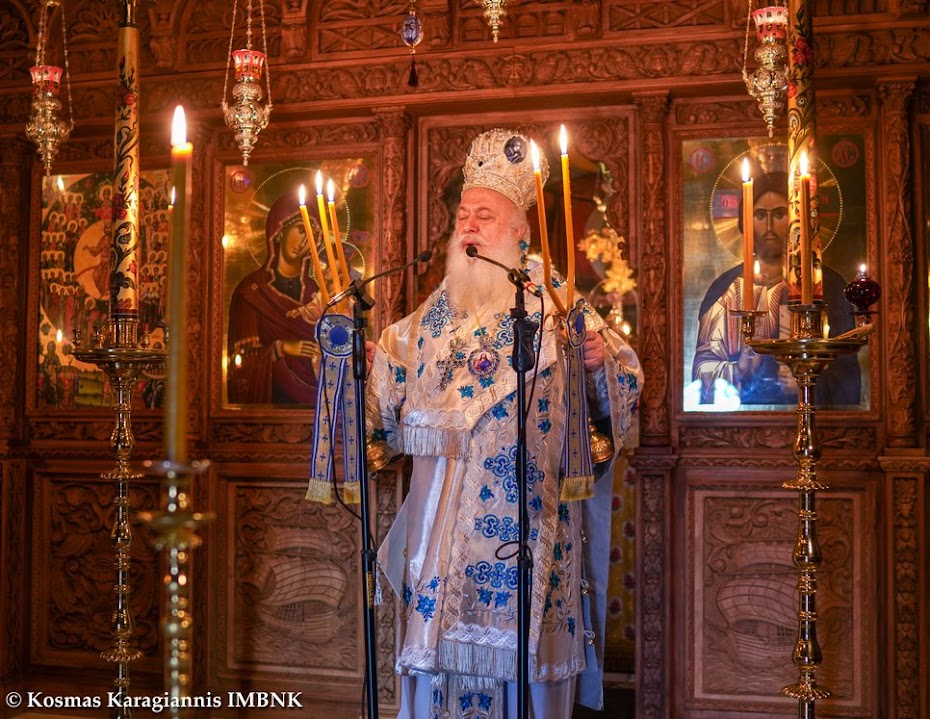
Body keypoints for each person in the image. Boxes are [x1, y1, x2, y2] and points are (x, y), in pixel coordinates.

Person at [366, 129, 643, 718]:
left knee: (525, 659)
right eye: (463, 215)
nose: (468, 225)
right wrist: (367, 366)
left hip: (532, 524)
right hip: (443, 535)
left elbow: (620, 391)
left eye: (484, 216)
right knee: (440, 662)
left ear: (520, 231)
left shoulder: (558, 303)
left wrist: (600, 363)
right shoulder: (435, 312)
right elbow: (390, 385)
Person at [692, 171, 860, 407]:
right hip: (742, 420)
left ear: (796, 219)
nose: (769, 226)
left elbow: (847, 371)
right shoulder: (725, 288)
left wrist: (809, 380)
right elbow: (701, 373)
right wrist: (738, 370)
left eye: (780, 214)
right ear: (746, 221)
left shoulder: (827, 285)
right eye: (760, 215)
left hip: (816, 418)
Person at [227, 192, 323, 404]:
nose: (304, 241)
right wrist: (279, 349)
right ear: (279, 231)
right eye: (300, 229)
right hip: (266, 408)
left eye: (312, 234)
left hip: (314, 405)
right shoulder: (251, 292)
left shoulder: (316, 293)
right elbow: (238, 362)